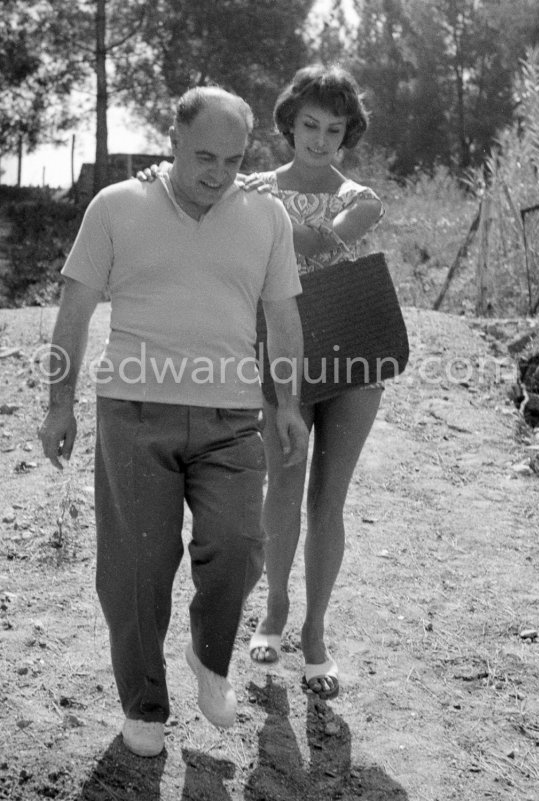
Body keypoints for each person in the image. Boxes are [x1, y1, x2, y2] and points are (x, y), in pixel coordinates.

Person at [38, 87, 309, 759]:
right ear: (174, 140)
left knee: (243, 539)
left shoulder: (265, 215)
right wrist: (58, 400)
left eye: (233, 159)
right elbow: (73, 310)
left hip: (231, 416)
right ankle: (145, 704)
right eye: (203, 157)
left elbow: (283, 320)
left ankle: (209, 654)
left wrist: (290, 404)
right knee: (135, 565)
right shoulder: (117, 207)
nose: (217, 173)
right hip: (133, 414)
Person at [137, 65, 385, 700]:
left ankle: (316, 632)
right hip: (281, 357)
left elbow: (319, 243)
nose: (320, 139)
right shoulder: (247, 187)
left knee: (328, 502)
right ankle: (273, 613)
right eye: (309, 125)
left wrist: (257, 207)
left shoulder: (362, 198)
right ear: (289, 124)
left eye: (335, 129)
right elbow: (191, 194)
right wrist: (152, 183)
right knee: (281, 491)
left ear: (347, 133)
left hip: (353, 360)